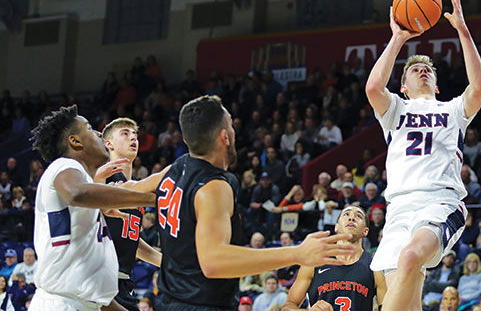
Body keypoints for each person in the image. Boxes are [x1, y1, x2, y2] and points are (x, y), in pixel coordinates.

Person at [133, 95, 354, 310]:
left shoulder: (173, 170)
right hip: (201, 308)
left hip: (170, 302)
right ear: (225, 137)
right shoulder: (213, 186)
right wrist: (297, 253)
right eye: (230, 125)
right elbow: (213, 262)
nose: (233, 130)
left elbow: (125, 191)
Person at [365, 0, 481, 311]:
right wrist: (397, 39)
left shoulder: (452, 110)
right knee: (405, 305)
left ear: (437, 83)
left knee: (409, 258)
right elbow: (374, 87)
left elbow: (478, 88)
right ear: (403, 86)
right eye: (414, 69)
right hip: (398, 209)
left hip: (439, 201)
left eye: (428, 69)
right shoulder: (395, 111)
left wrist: (462, 30)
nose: (422, 70)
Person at [28, 105, 156, 311]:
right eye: (89, 128)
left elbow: (94, 298)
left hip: (81, 304)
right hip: (60, 307)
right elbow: (78, 193)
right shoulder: (65, 165)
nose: (98, 132)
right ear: (75, 141)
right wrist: (153, 200)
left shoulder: (87, 206)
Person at [101, 117, 162, 310]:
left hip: (124, 281)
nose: (133, 137)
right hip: (100, 279)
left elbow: (132, 240)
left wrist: (169, 263)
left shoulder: (137, 186)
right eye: (125, 133)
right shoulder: (101, 179)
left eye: (135, 134)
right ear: (108, 143)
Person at [282, 205, 387, 311]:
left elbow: (387, 311)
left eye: (358, 216)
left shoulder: (375, 265)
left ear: (366, 231)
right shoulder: (315, 261)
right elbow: (288, 307)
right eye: (346, 214)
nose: (351, 218)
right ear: (336, 227)